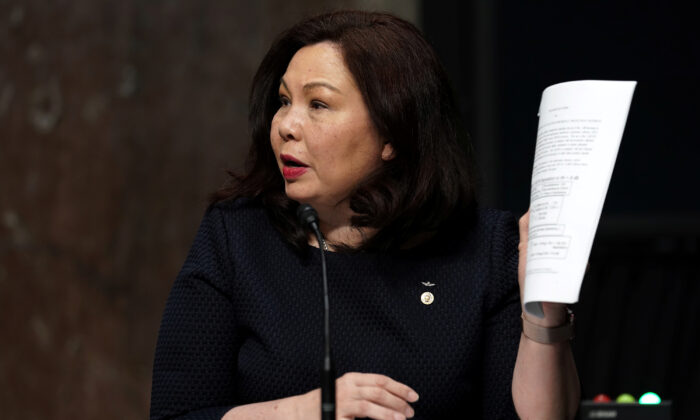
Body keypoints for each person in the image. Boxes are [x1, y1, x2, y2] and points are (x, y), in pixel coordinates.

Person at [150, 10, 580, 420]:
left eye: (317, 104)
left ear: (392, 134)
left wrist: (543, 311)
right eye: (283, 101)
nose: (285, 125)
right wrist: (305, 411)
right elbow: (177, 414)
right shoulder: (238, 236)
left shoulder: (486, 249)